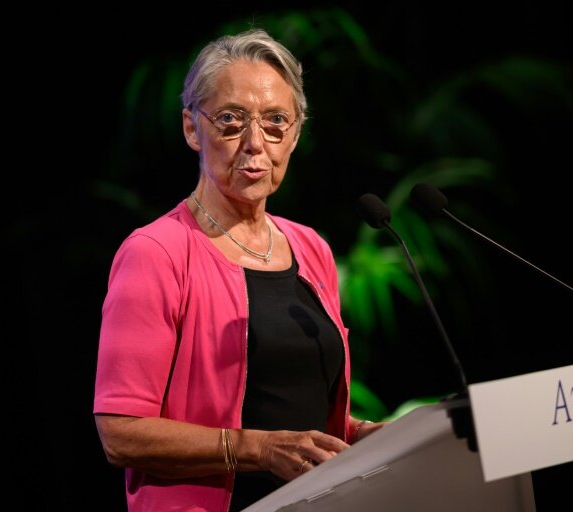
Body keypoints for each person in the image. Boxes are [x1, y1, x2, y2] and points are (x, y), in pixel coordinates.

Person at [93, 28, 386, 511]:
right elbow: (120, 434)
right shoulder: (156, 252)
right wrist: (257, 449)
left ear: (295, 135)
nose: (255, 144)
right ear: (192, 128)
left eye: (275, 122)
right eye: (230, 121)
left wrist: (360, 437)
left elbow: (299, 410)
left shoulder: (310, 248)